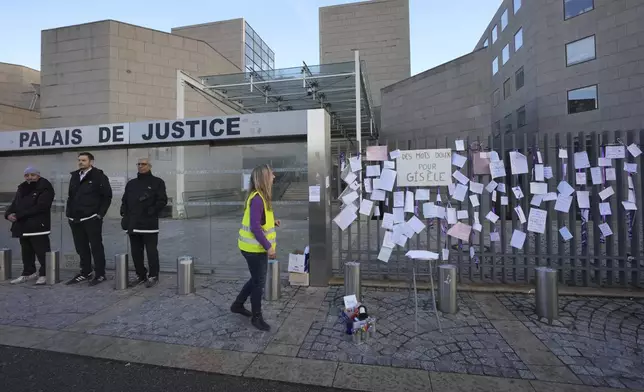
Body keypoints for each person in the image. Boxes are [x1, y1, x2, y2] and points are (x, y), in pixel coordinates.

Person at [232, 164, 281, 331]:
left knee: (255, 279)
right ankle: (256, 317)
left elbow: (258, 221)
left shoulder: (259, 196)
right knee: (258, 283)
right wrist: (269, 247)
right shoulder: (259, 198)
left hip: (252, 248)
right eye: (271, 174)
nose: (274, 176)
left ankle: (238, 305)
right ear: (264, 178)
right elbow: (254, 227)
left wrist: (272, 222)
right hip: (254, 250)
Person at [65, 152, 112, 286]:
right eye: (79, 160)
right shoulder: (75, 176)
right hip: (75, 218)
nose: (80, 162)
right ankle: (85, 272)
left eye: (84, 160)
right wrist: (69, 213)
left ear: (91, 162)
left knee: (96, 246)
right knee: (81, 247)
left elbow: (107, 196)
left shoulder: (99, 176)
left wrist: (99, 214)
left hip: (91, 218)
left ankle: (100, 274)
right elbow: (71, 196)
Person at [120, 158, 168, 288]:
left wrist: (151, 211)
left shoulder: (157, 182)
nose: (141, 166)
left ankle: (153, 275)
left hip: (148, 224)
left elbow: (162, 200)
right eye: (139, 164)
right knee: (136, 251)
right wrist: (123, 214)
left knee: (151, 251)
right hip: (133, 224)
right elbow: (124, 200)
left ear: (150, 166)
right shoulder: (131, 183)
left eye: (144, 164)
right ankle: (140, 275)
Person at [4, 167, 55, 285]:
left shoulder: (45, 187)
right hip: (23, 226)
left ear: (38, 175)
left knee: (42, 252)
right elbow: (14, 204)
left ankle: (44, 274)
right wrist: (8, 215)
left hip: (38, 226)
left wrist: (18, 215)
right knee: (26, 252)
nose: (29, 177)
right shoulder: (22, 188)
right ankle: (28, 273)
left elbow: (41, 206)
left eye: (32, 175)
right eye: (27, 175)